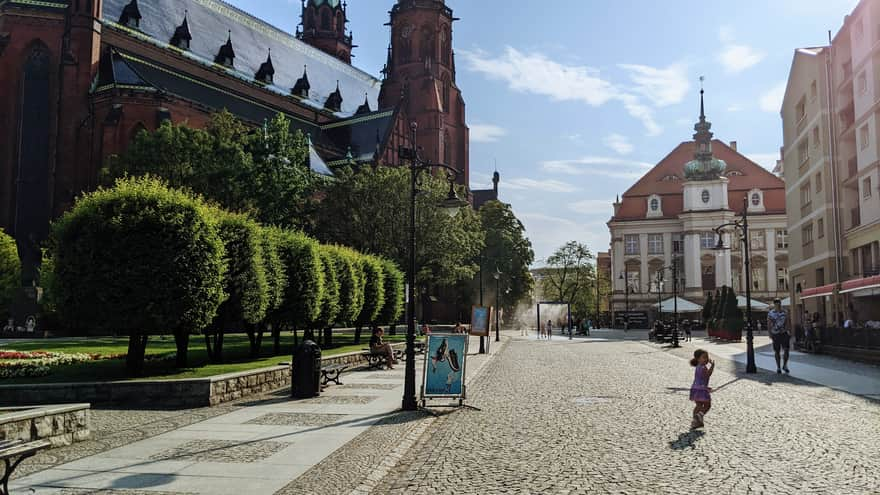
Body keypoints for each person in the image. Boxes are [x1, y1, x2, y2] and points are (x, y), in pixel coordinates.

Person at [689, 349, 715, 429]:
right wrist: (712, 366)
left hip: (695, 388)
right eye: (704, 357)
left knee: (699, 405)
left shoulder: (698, 367)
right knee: (707, 405)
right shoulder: (703, 367)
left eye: (707, 357)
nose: (706, 359)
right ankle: (699, 416)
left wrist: (706, 387)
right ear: (698, 359)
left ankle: (696, 422)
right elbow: (708, 375)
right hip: (701, 390)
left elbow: (701, 379)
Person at [767, 299, 790, 374]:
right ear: (774, 305)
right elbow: (769, 324)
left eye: (779, 304)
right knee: (777, 351)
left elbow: (787, 321)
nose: (778, 305)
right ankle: (778, 367)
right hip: (775, 334)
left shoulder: (785, 312)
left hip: (784, 333)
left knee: (786, 350)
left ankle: (785, 365)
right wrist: (770, 333)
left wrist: (787, 330)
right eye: (776, 304)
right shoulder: (771, 313)